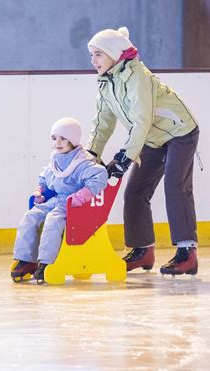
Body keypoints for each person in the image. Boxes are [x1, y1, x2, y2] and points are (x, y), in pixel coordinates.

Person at [86, 26, 200, 276]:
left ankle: (187, 252)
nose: (93, 61)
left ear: (114, 54)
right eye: (92, 55)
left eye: (98, 55)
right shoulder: (106, 82)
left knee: (175, 185)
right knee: (135, 191)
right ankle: (143, 250)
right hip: (151, 137)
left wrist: (123, 157)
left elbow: (141, 120)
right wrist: (90, 156)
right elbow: (102, 123)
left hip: (179, 132)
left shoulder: (138, 76)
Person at [11, 117, 108, 282]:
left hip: (72, 205)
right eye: (54, 138)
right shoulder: (55, 159)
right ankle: (26, 259)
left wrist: (79, 198)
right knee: (31, 216)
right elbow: (45, 179)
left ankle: (46, 262)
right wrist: (39, 192)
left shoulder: (82, 162)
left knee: (53, 220)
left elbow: (99, 177)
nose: (58, 142)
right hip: (55, 200)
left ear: (73, 140)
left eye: (63, 138)